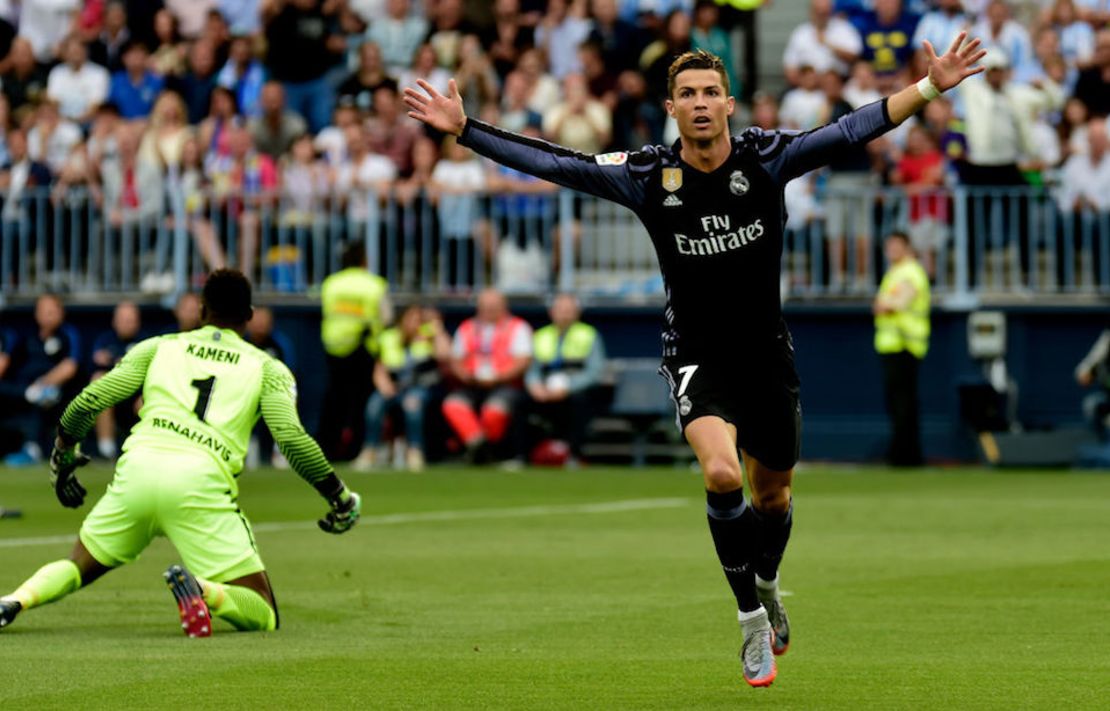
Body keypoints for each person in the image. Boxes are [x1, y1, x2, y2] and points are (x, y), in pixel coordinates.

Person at [403, 32, 985, 687]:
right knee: (719, 472)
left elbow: (850, 130)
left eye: (711, 92)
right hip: (696, 355)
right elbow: (559, 163)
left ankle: (766, 583)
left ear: (730, 103)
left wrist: (931, 86)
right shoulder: (649, 174)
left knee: (775, 494)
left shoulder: (768, 159)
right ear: (671, 108)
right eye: (688, 94)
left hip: (767, 356)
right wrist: (466, 131)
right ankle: (749, 624)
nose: (701, 103)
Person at [0, 270, 362, 636]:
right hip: (199, 483)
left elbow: (90, 400)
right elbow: (291, 438)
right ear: (249, 316)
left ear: (201, 310)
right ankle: (203, 590)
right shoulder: (268, 368)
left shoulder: (159, 346)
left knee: (78, 566)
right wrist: (338, 496)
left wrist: (64, 453)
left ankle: (15, 599)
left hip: (138, 471)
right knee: (263, 610)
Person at [318, 242, 392, 460]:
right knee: (360, 402)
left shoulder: (331, 283)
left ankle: (326, 450)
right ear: (364, 260)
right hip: (362, 347)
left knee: (334, 400)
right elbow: (386, 317)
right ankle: (356, 450)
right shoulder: (374, 284)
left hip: (333, 347)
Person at [354, 304, 451, 472]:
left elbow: (445, 354)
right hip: (395, 388)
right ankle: (370, 451)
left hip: (421, 389)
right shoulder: (388, 337)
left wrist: (438, 332)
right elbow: (380, 368)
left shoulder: (428, 336)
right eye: (411, 319)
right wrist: (384, 386)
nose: (415, 323)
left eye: (419, 320)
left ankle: (415, 451)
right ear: (401, 320)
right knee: (375, 403)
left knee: (412, 404)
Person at [442, 288, 533, 466]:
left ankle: (490, 451)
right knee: (453, 404)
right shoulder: (467, 327)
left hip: (506, 384)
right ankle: (478, 446)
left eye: (493, 306)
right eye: (485, 306)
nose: (489, 310)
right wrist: (466, 375)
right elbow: (456, 360)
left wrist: (498, 378)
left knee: (494, 410)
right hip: (472, 384)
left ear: (504, 307)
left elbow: (522, 361)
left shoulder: (518, 327)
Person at [0, 294, 81, 466]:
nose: (47, 316)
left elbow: (69, 367)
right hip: (24, 391)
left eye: (52, 311)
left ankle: (32, 449)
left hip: (55, 393)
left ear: (61, 313)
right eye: (44, 311)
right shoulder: (27, 338)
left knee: (43, 397)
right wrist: (28, 390)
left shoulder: (68, 335)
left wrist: (43, 384)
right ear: (37, 314)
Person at [525, 293, 606, 467]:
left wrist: (568, 387)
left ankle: (574, 455)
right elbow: (532, 370)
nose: (564, 314)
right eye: (560, 310)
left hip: (574, 392)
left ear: (577, 313)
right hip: (546, 392)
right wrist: (535, 386)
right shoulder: (540, 335)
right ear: (551, 312)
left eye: (569, 311)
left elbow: (595, 373)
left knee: (580, 403)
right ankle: (520, 455)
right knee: (519, 402)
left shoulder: (589, 335)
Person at [873, 231, 930, 466]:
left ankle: (904, 455)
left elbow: (896, 303)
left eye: (897, 246)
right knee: (898, 402)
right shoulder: (896, 272)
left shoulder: (910, 272)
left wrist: (885, 304)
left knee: (903, 404)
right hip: (893, 345)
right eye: (889, 246)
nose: (892, 250)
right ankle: (903, 452)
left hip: (905, 344)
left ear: (906, 248)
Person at [90, 300, 144, 459]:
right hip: (115, 394)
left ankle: (145, 451)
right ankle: (107, 450)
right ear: (115, 321)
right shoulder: (104, 340)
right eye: (123, 320)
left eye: (131, 320)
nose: (127, 324)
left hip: (139, 394)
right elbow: (97, 365)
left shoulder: (146, 341)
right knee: (98, 382)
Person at [245, 305, 295, 468]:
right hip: (245, 392)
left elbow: (290, 372)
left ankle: (280, 452)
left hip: (273, 393)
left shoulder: (280, 343)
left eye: (264, 320)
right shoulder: (242, 343)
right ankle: (247, 452)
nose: (260, 324)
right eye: (256, 320)